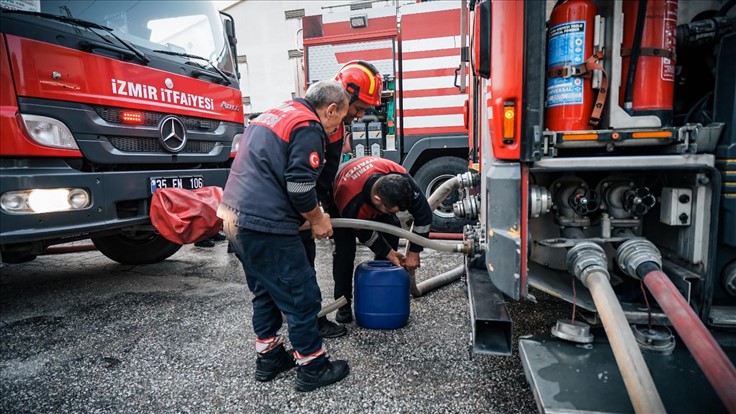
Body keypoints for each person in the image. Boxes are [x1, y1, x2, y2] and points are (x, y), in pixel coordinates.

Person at [217, 80, 351, 392]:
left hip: (233, 219)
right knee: (301, 295)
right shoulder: (308, 126)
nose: (338, 128)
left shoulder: (274, 115)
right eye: (341, 118)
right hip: (265, 225)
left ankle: (269, 357)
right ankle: (313, 367)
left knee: (265, 291)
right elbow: (300, 187)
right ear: (331, 109)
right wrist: (317, 219)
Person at [301, 61, 384, 337]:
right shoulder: (310, 123)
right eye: (359, 108)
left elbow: (325, 176)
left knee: (339, 245)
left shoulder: (336, 127)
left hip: (317, 197)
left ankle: (338, 308)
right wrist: (312, 215)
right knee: (302, 263)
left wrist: (325, 212)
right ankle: (312, 324)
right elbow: (301, 177)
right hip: (294, 201)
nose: (359, 116)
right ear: (344, 97)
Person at [331, 156, 433, 323]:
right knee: (345, 250)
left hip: (373, 175)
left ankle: (380, 291)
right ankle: (343, 304)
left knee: (392, 227)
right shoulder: (350, 201)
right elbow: (366, 235)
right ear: (378, 199)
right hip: (341, 189)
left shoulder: (400, 177)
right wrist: (388, 253)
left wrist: (414, 252)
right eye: (391, 210)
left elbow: (424, 214)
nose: (394, 213)